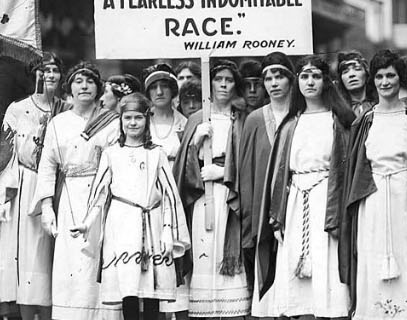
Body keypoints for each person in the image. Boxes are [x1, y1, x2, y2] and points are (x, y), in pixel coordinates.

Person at [332, 51, 407, 320]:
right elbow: (355, 172)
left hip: (405, 199)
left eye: (391, 75)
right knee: (372, 256)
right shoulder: (365, 120)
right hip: (372, 201)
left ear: (400, 78)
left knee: (406, 255)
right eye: (380, 76)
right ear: (373, 80)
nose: (385, 82)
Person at [70, 92, 191, 320]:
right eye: (128, 118)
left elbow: (169, 196)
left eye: (138, 118)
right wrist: (87, 224)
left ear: (146, 120)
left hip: (151, 223)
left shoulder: (156, 153)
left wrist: (168, 231)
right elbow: (99, 193)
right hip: (122, 224)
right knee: (128, 287)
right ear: (121, 121)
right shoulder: (112, 154)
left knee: (152, 288)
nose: (133, 123)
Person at [255, 55, 357, 319]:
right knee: (296, 279)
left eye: (316, 76)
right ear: (297, 82)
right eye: (304, 76)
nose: (310, 82)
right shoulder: (291, 124)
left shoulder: (340, 122)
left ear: (326, 81)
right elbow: (279, 175)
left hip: (327, 199)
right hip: (296, 201)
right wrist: (276, 216)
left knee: (327, 269)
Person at [33, 63, 121, 319]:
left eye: (90, 81)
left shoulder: (111, 122)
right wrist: (47, 207)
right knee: (71, 262)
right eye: (78, 81)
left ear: (99, 88)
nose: (84, 86)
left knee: (100, 257)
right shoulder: (59, 123)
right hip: (69, 196)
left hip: (103, 195)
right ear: (69, 88)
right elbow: (48, 165)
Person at [174, 60, 254, 319]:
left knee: (227, 255)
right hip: (203, 196)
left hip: (232, 197)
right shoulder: (198, 118)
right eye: (218, 79)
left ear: (235, 84)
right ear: (209, 84)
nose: (223, 84)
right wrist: (196, 143)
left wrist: (225, 172)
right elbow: (183, 166)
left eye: (228, 80)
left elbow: (251, 160)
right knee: (205, 251)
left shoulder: (243, 117)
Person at [234, 53, 294, 316]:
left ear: (291, 80)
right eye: (268, 78)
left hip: (295, 203)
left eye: (279, 76)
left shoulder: (301, 115)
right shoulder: (255, 119)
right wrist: (249, 218)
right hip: (262, 206)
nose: (273, 83)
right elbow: (246, 172)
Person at [2, 57, 60, 320]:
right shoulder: (17, 109)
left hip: (57, 183)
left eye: (54, 70)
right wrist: (7, 189)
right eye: (43, 70)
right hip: (25, 183)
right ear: (34, 74)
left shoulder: (66, 108)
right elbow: (6, 152)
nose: (49, 75)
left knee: (51, 250)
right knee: (28, 250)